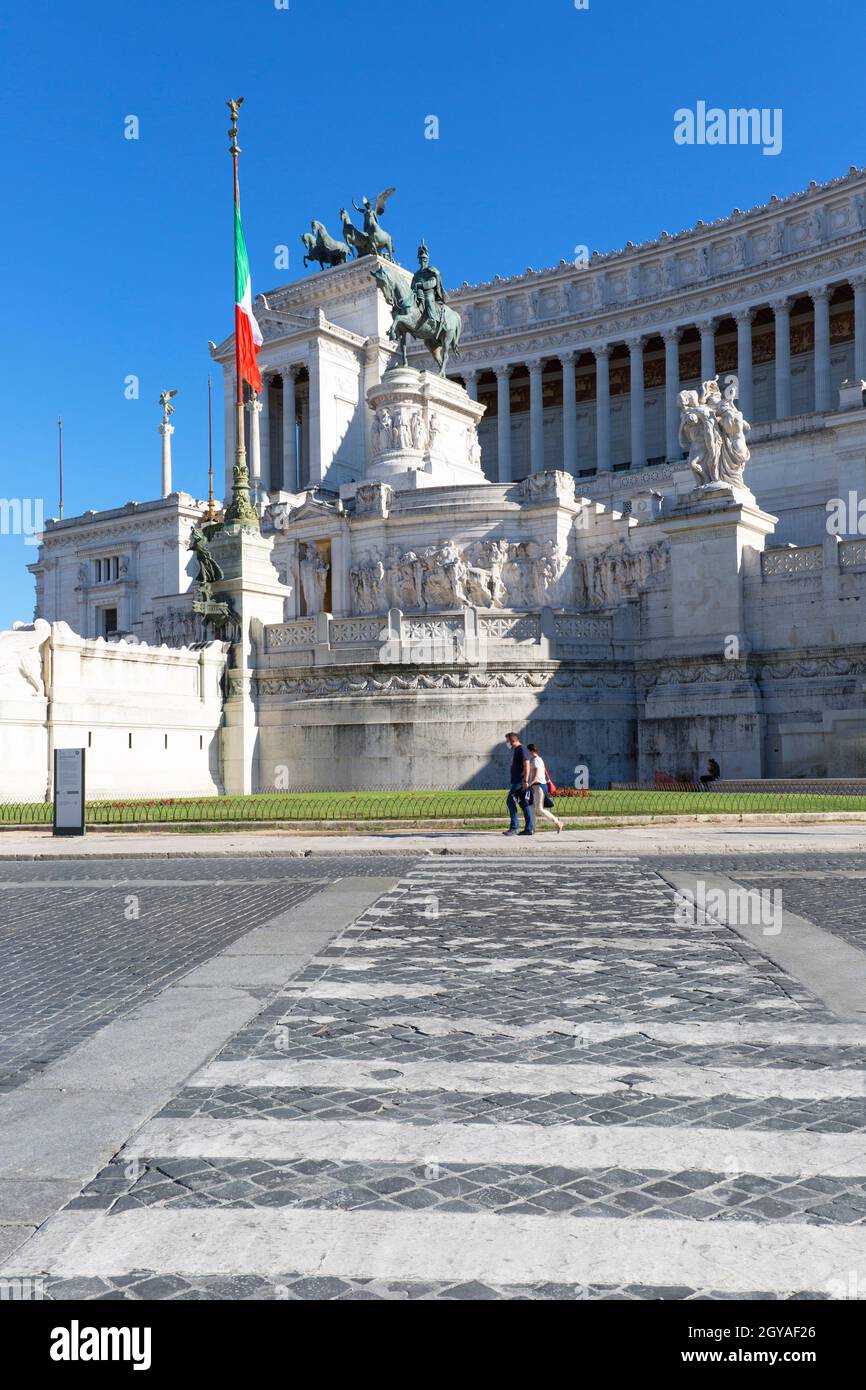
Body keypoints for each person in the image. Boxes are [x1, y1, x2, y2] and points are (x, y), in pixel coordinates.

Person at [526, 743, 564, 833]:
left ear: (531, 751)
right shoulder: (534, 760)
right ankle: (532, 828)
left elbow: (535, 777)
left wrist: (527, 784)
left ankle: (558, 822)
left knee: (539, 809)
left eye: (527, 752)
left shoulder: (536, 760)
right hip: (534, 787)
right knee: (531, 807)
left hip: (538, 786)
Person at [503, 731, 533, 835]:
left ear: (512, 740)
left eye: (507, 740)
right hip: (517, 781)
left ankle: (514, 828)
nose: (506, 742)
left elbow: (527, 765)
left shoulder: (522, 749)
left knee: (510, 802)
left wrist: (525, 780)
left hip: (520, 782)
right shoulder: (516, 750)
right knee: (524, 804)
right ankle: (529, 828)